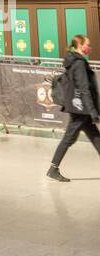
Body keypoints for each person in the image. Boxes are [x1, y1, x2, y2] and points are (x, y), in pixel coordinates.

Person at [48, 34, 100, 182]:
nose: (90, 47)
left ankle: (53, 168)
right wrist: (92, 111)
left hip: (80, 108)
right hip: (81, 109)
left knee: (95, 138)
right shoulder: (78, 63)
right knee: (69, 139)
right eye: (88, 45)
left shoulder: (74, 61)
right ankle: (53, 168)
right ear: (80, 45)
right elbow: (84, 88)